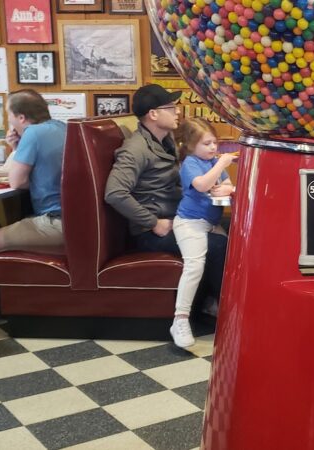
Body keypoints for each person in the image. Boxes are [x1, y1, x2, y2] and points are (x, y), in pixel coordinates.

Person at [105, 84, 228, 315]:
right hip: (152, 231)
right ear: (153, 114)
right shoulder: (135, 149)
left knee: (232, 230)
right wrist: (153, 222)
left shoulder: (167, 140)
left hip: (179, 219)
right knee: (219, 245)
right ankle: (225, 309)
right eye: (171, 108)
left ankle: (211, 302)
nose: (177, 112)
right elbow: (115, 192)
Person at [169, 119, 235, 347]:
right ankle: (180, 319)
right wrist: (221, 165)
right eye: (206, 143)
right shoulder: (191, 163)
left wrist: (227, 185)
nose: (213, 147)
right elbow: (201, 185)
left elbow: (229, 185)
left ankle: (213, 304)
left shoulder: (214, 162)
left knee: (229, 258)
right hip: (189, 223)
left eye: (214, 142)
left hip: (210, 223)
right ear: (189, 145)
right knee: (194, 265)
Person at [0, 90, 66, 257]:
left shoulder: (33, 133)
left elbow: (16, 181)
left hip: (55, 221)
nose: (8, 120)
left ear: (21, 118)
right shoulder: (62, 126)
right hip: (73, 218)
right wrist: (16, 148)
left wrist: (20, 145)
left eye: (8, 114)